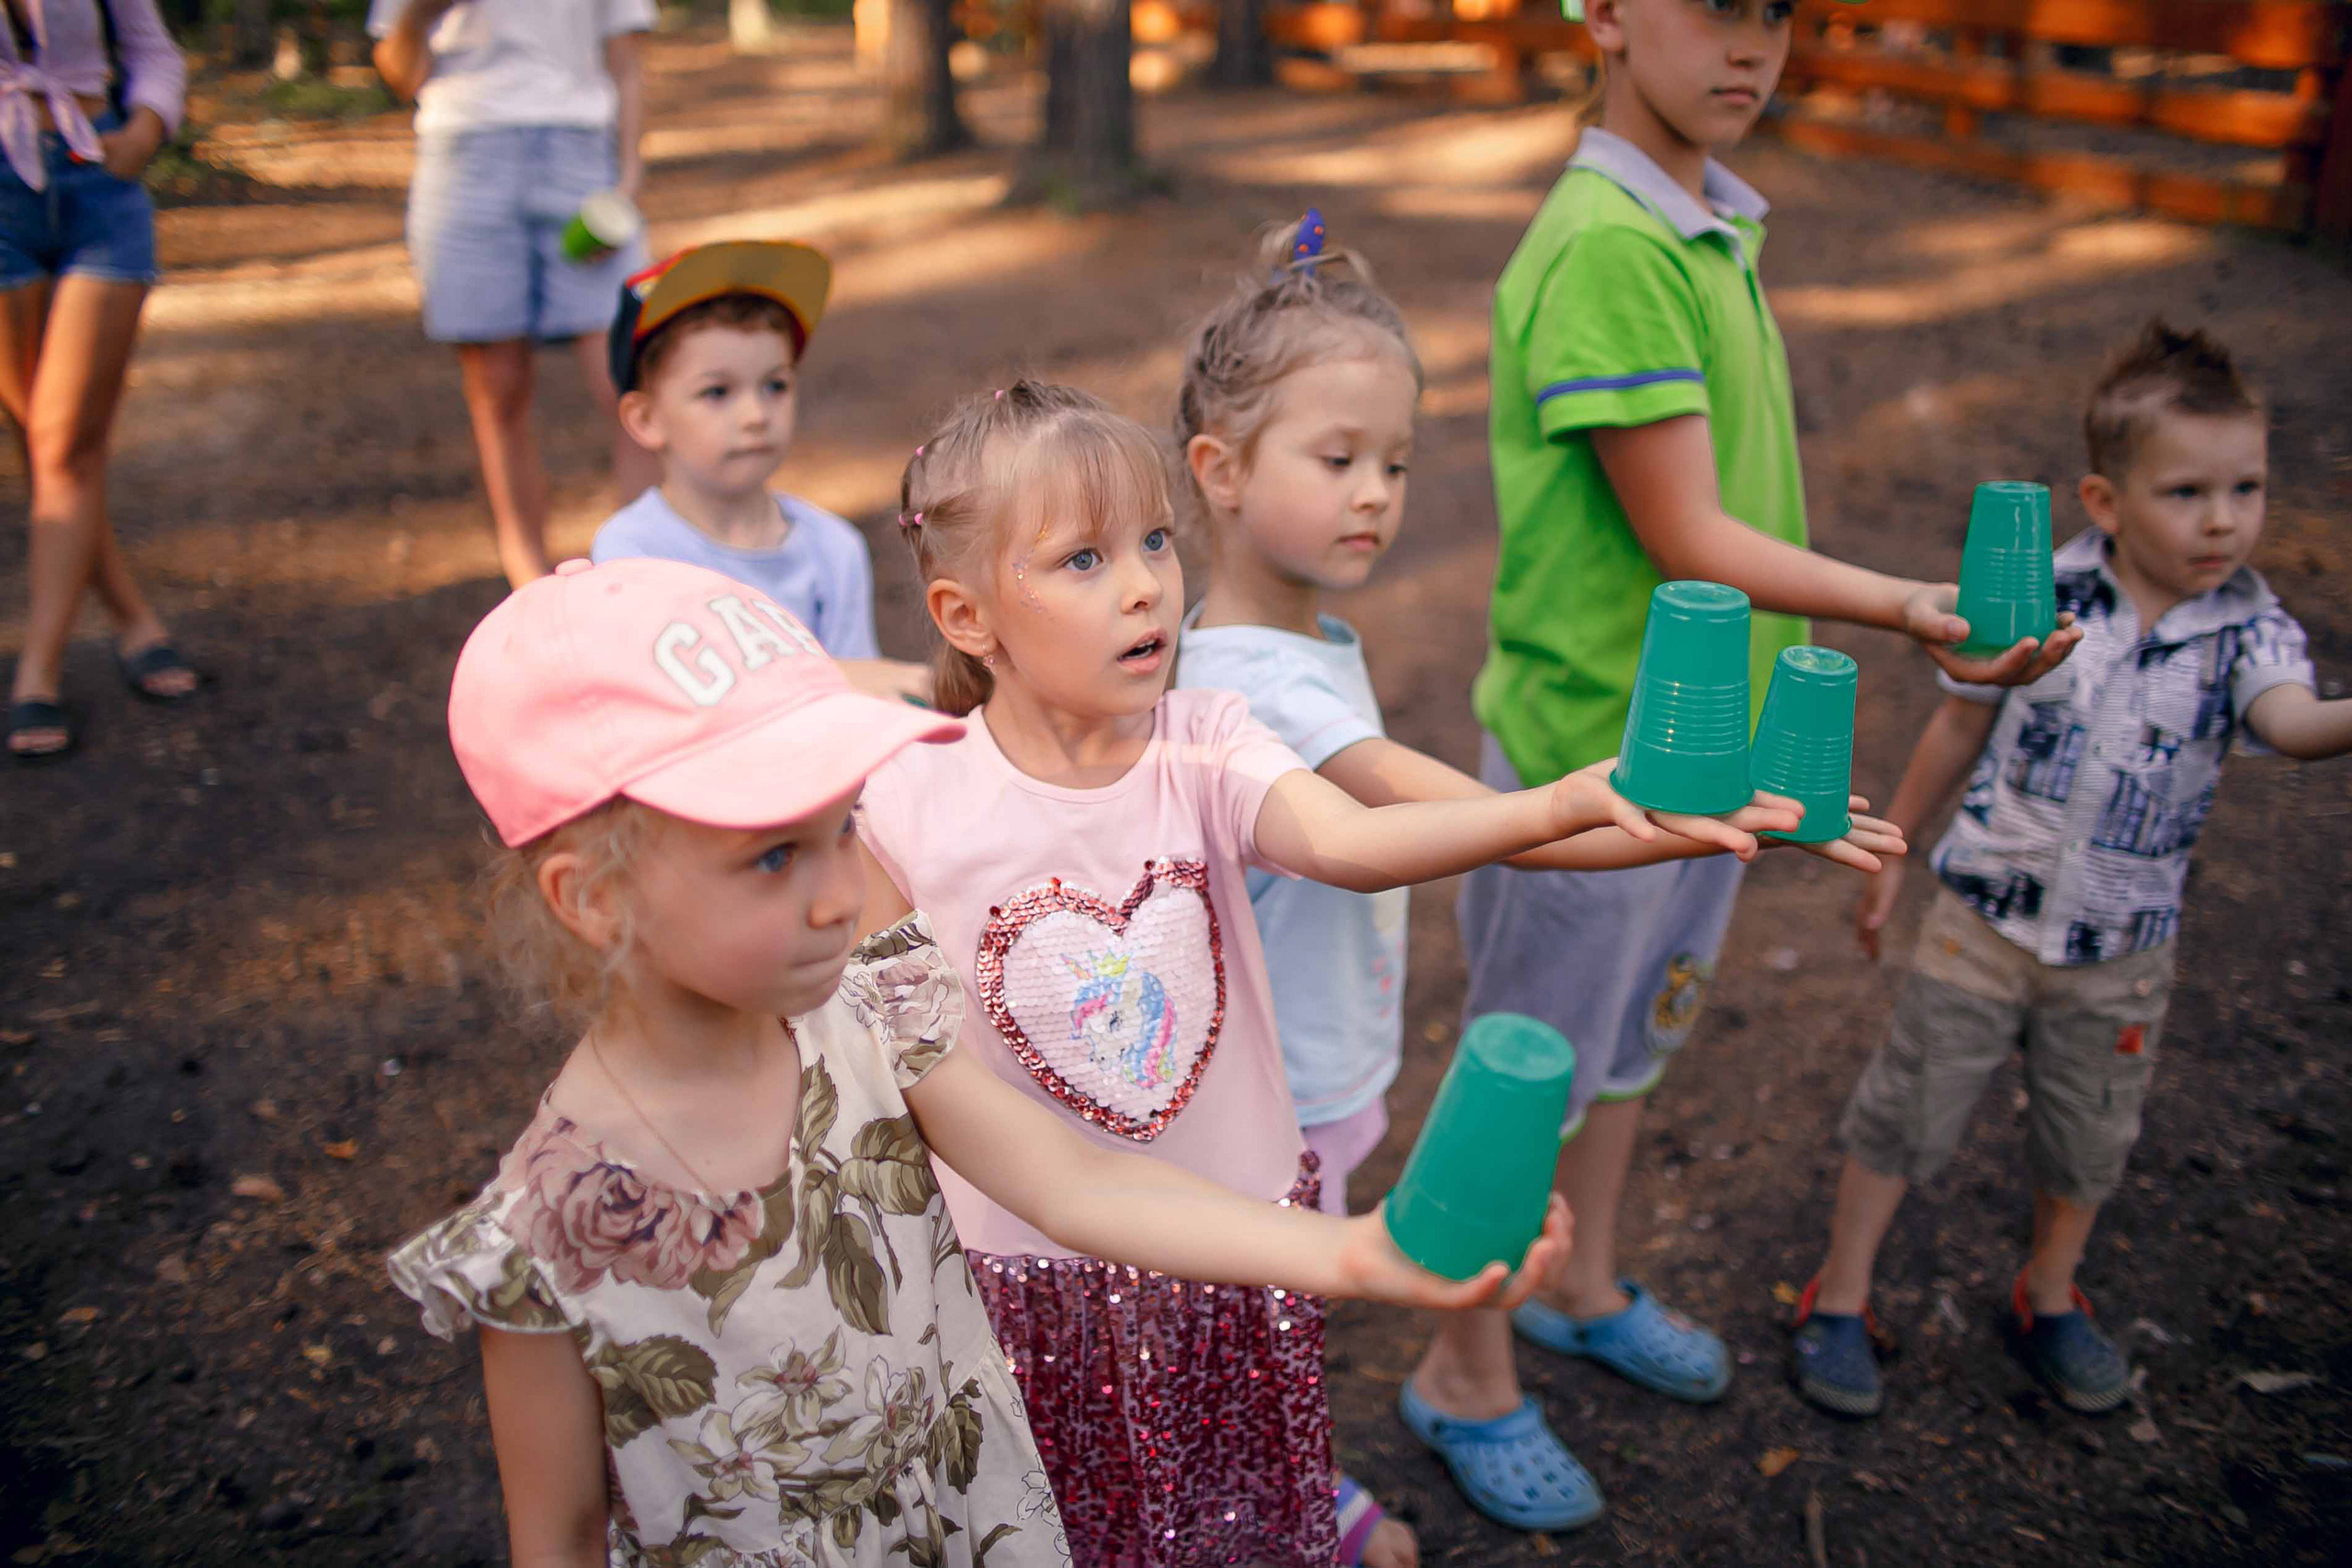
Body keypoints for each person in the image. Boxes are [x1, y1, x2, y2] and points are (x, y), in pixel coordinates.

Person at [388, 555, 1570, 1566]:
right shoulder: (545, 1236)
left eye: (839, 828)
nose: (837, 891)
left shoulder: (873, 1008)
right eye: (768, 858)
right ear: (590, 899)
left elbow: (1076, 1182)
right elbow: (557, 1538)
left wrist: (1362, 1253)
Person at [1407, 0, 2084, 1532]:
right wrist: (1911, 605)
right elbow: (1689, 538)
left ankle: (1579, 1281)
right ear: (1603, 14)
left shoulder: (1707, 220)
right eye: (1715, 9)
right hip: (1596, 761)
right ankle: (1462, 1363)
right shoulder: (1606, 246)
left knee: (1634, 1042)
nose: (1753, 45)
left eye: (1777, 13)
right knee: (1529, 1069)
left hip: (1693, 762)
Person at [854, 378, 1715, 1567]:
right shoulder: (904, 801)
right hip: (1033, 1289)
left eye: (1156, 538)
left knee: (1239, 1486)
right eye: (1084, 559)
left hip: (1236, 1235)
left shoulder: (1203, 736)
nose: (1148, 580)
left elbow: (1349, 841)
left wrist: (1556, 801)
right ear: (966, 614)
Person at [1167, 209, 1905, 1564]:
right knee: (1252, 1310)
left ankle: (1265, 1470)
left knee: (1271, 1306)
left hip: (1313, 1070)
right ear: (1217, 468)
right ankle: (1267, 1500)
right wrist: (1677, 819)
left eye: (1394, 458)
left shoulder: (1299, 637)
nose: (1378, 492)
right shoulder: (1251, 684)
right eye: (1336, 459)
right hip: (1256, 1093)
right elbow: (1502, 827)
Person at [1794, 321, 2352, 1417]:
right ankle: (1839, 1295)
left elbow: (2288, 728)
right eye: (2187, 491)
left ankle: (2049, 1294)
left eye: (2246, 487)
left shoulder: (2251, 633)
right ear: (2103, 501)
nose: (2223, 518)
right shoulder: (2038, 591)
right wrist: (1893, 851)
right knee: (1904, 1111)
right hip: (1979, 921)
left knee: (2086, 1132)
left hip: (2120, 953)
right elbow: (1957, 728)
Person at [369, 0, 660, 589]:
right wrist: (420, 15)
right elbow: (400, 74)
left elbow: (627, 63)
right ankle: (528, 579)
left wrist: (628, 177)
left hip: (582, 159)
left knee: (634, 383)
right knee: (496, 386)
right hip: (466, 159)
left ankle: (643, 571)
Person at [592, 240, 931, 703]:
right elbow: (657, 707)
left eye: (775, 385)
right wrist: (830, 678)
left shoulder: (832, 547)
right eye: (717, 392)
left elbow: (866, 696)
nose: (756, 414)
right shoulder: (632, 553)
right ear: (646, 419)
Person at [1, 0, 193, 760]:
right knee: (47, 444)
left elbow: (154, 52)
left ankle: (36, 673)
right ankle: (134, 618)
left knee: (63, 441)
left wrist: (147, 127)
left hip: (97, 187)